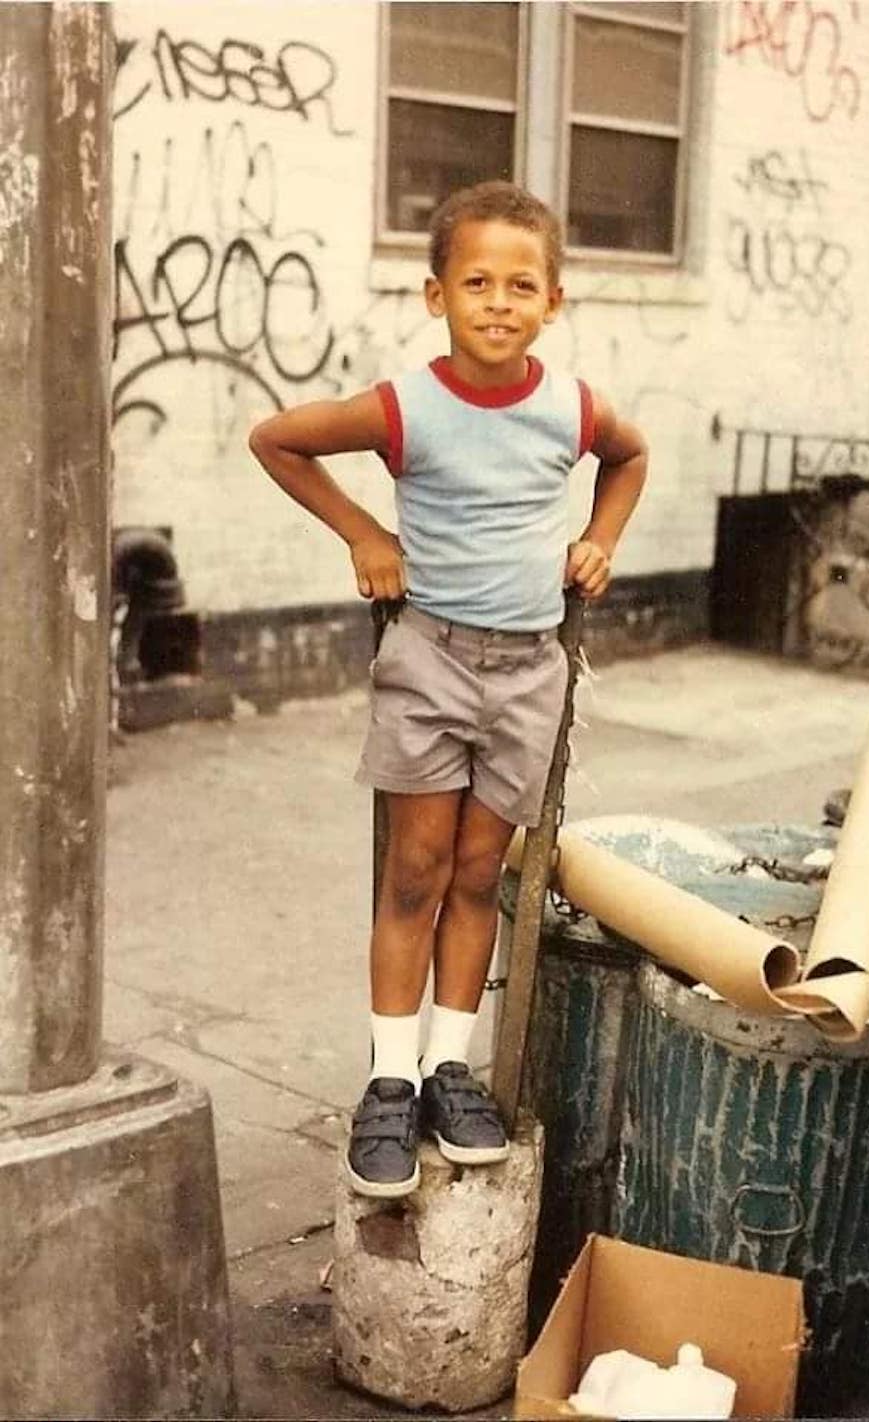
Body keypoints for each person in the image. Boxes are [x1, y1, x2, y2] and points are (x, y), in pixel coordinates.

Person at [249, 180, 647, 1198]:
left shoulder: (570, 406)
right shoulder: (403, 407)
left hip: (527, 671)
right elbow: (276, 439)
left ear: (552, 303)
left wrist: (600, 537)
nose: (500, 302)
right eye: (477, 281)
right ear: (437, 296)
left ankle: (446, 1068)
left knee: (481, 875)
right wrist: (366, 533)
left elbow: (630, 456)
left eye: (523, 285)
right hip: (428, 660)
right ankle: (388, 1078)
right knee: (416, 870)